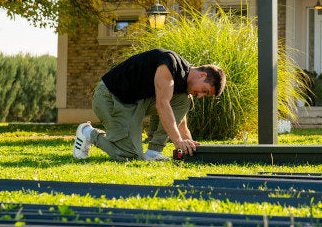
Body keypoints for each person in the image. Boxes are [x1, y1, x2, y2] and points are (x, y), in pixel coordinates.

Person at [72, 48, 225, 161]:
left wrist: (188, 144)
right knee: (129, 156)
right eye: (204, 91)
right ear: (202, 75)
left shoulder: (183, 83)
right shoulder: (170, 65)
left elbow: (180, 118)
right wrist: (177, 141)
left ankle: (154, 152)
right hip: (109, 98)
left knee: (185, 100)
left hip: (136, 103)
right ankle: (87, 132)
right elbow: (162, 104)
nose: (200, 96)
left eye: (205, 95)